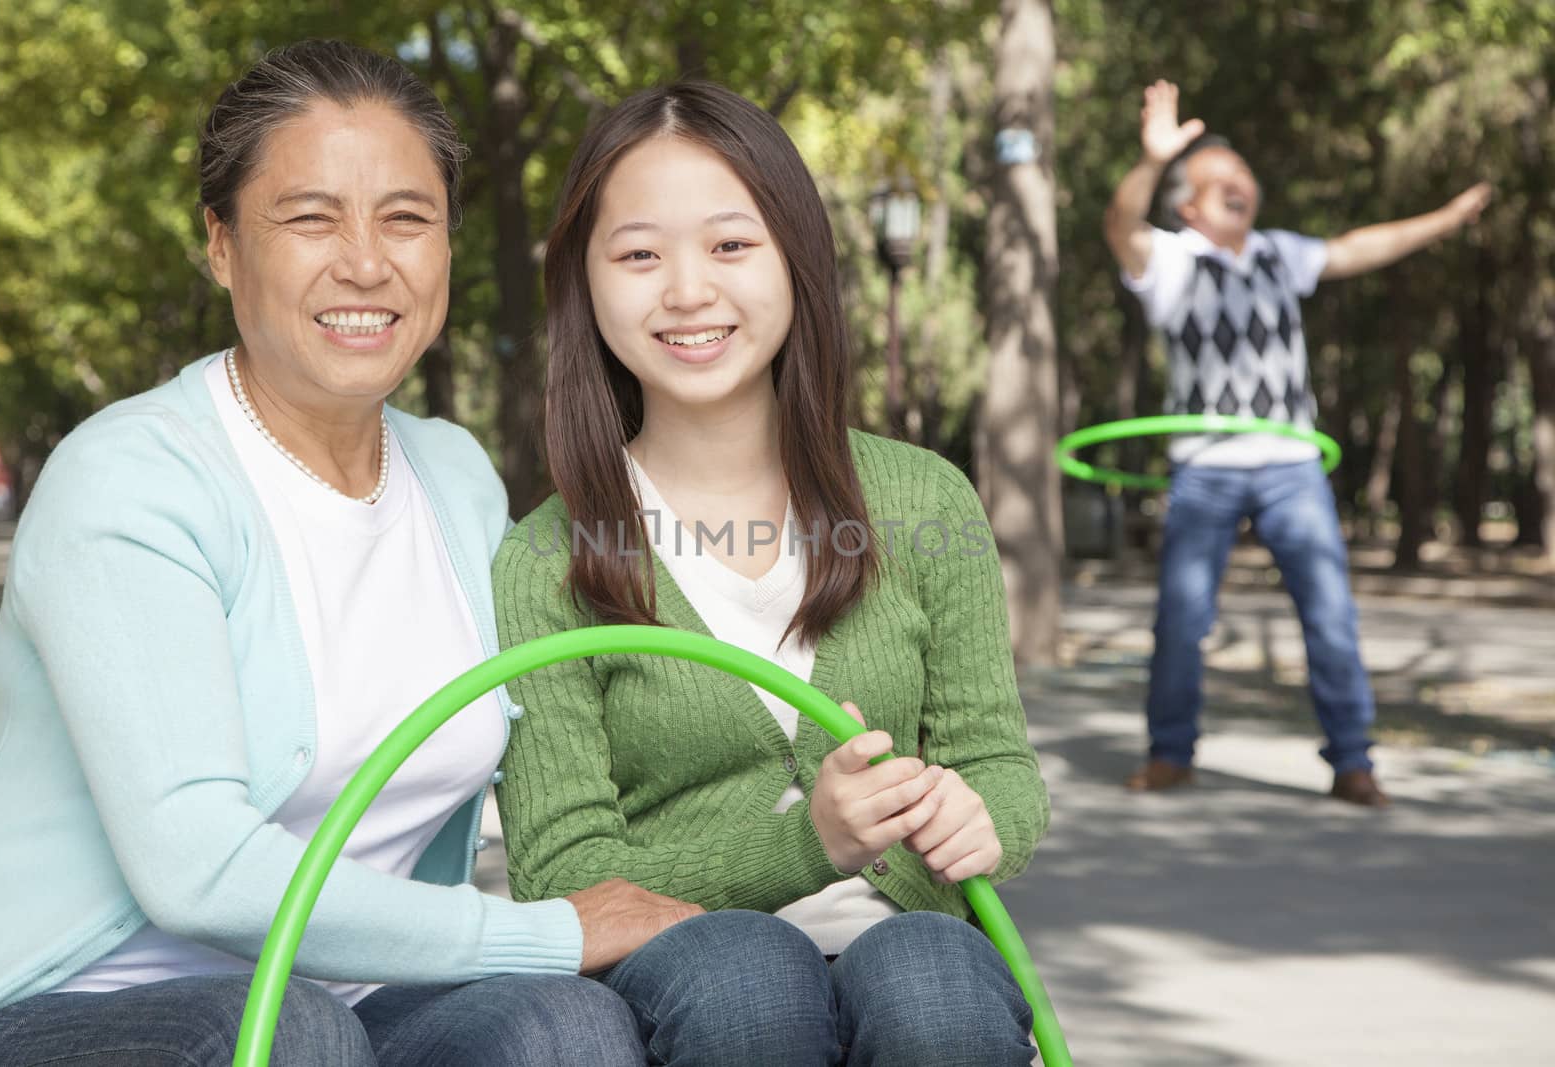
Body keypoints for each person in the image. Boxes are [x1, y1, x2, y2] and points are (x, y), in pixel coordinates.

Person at [0, 41, 700, 1067]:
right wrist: (553, 933)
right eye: (310, 217)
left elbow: (576, 743)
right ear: (221, 245)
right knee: (299, 1035)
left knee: (563, 1026)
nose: (365, 260)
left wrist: (808, 816)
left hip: (359, 1003)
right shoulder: (132, 479)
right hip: (66, 1006)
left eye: (406, 217)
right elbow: (198, 871)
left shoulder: (456, 475)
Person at [491, 82, 1050, 1066]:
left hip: (909, 941)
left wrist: (982, 817)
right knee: (749, 978)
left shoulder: (924, 501)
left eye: (730, 245)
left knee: (932, 980)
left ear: (796, 257)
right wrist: (805, 849)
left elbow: (997, 763)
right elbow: (564, 874)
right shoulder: (546, 558)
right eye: (638, 254)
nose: (687, 290)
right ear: (586, 283)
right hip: (690, 979)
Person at [1103, 80, 1492, 807]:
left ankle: (1352, 762)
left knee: (1330, 611)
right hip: (1205, 467)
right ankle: (1170, 753)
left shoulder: (1282, 254)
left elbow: (1358, 248)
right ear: (1188, 205)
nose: (1237, 183)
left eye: (1242, 174)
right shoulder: (1170, 261)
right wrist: (1154, 159)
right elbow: (1121, 219)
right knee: (1182, 620)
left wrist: (1443, 219)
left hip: (1291, 466)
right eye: (1217, 179)